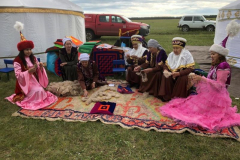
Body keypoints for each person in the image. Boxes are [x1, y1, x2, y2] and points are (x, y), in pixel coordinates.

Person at [160, 42, 240, 131]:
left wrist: (202, 79)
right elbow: (210, 81)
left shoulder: (223, 65)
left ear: (220, 55)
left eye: (214, 54)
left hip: (217, 98)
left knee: (197, 114)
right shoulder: (216, 65)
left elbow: (219, 86)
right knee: (190, 107)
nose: (211, 56)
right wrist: (198, 79)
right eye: (211, 54)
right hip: (210, 93)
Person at [6, 21, 58, 110]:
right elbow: (18, 75)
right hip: (24, 83)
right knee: (36, 91)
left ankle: (38, 98)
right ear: (22, 51)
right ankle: (31, 99)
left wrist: (40, 67)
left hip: (34, 80)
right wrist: (28, 72)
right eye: (26, 50)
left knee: (40, 90)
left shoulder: (32, 57)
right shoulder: (17, 60)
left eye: (30, 49)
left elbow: (36, 68)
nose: (29, 51)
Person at [159, 37, 195, 101]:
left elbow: (190, 69)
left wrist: (179, 73)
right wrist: (165, 70)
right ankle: (167, 96)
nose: (175, 50)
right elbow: (166, 65)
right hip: (173, 73)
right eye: (174, 48)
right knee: (166, 76)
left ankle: (177, 98)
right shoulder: (171, 55)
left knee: (183, 78)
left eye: (177, 48)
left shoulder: (187, 55)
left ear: (181, 48)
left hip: (182, 74)